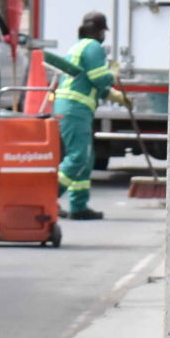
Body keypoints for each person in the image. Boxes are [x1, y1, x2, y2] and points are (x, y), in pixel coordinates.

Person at [42, 12, 117, 222]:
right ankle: (47, 197)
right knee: (78, 157)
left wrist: (113, 95)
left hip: (70, 107)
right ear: (101, 31)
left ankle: (78, 205)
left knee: (86, 157)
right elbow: (99, 78)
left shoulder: (78, 46)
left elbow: (88, 81)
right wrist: (113, 75)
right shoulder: (93, 47)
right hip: (75, 108)